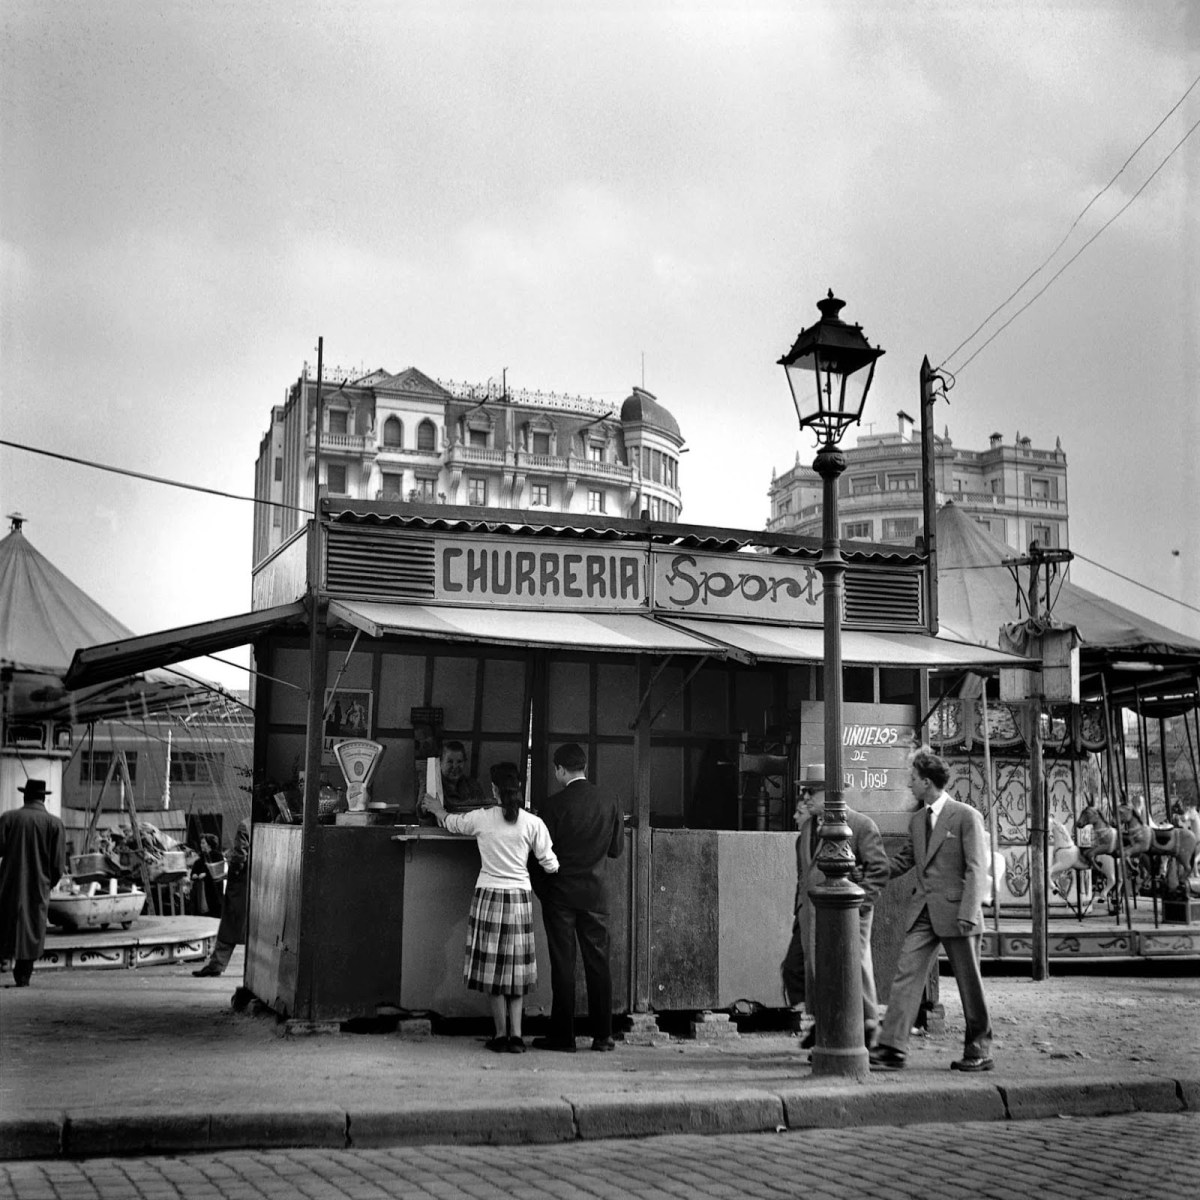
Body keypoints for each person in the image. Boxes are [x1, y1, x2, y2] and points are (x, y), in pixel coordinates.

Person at [871, 747, 994, 1072]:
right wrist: (868, 871)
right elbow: (902, 861)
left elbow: (977, 868)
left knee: (969, 983)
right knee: (906, 975)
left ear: (927, 782)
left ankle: (979, 1049)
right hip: (923, 911)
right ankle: (892, 1048)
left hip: (959, 914)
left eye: (912, 779)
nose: (909, 785)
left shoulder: (966, 815)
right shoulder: (917, 821)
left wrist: (969, 912)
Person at [422, 762, 558, 1053]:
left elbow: (450, 822)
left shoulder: (481, 819)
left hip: (489, 898)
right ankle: (518, 1036)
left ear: (494, 789)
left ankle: (499, 1036)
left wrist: (436, 808)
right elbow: (550, 864)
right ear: (519, 788)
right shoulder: (533, 823)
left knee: (494, 971)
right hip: (519, 899)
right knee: (516, 971)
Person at [787, 764, 889, 1051]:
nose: (805, 797)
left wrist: (859, 906)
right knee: (816, 968)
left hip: (850, 914)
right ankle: (827, 1025)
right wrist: (799, 911)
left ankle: (867, 1026)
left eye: (812, 791)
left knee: (853, 967)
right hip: (812, 914)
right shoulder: (807, 830)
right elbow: (803, 874)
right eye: (804, 791)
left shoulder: (860, 825)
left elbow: (879, 870)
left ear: (832, 793)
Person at [530, 743, 624, 1053]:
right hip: (595, 895)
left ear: (559, 769)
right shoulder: (610, 801)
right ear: (584, 767)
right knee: (598, 963)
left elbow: (540, 855)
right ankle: (603, 1035)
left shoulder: (553, 805)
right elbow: (615, 850)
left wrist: (544, 892)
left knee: (563, 965)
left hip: (560, 896)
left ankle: (564, 1037)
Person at [0, 779, 67, 987]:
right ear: (44, 797)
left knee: (5, 924)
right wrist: (48, 882)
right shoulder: (55, 824)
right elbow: (58, 865)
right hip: (38, 886)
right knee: (32, 929)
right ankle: (23, 977)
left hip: (9, 884)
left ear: (24, 796)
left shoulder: (8, 818)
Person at [192, 817, 251, 978]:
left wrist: (233, 872)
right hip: (258, 884)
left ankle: (216, 964)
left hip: (241, 885)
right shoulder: (271, 822)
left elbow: (240, 856)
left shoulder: (245, 825)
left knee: (229, 925)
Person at [432, 741, 489, 814]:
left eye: (459, 762)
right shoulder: (432, 785)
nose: (455, 766)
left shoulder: (473, 786)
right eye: (450, 762)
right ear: (440, 762)